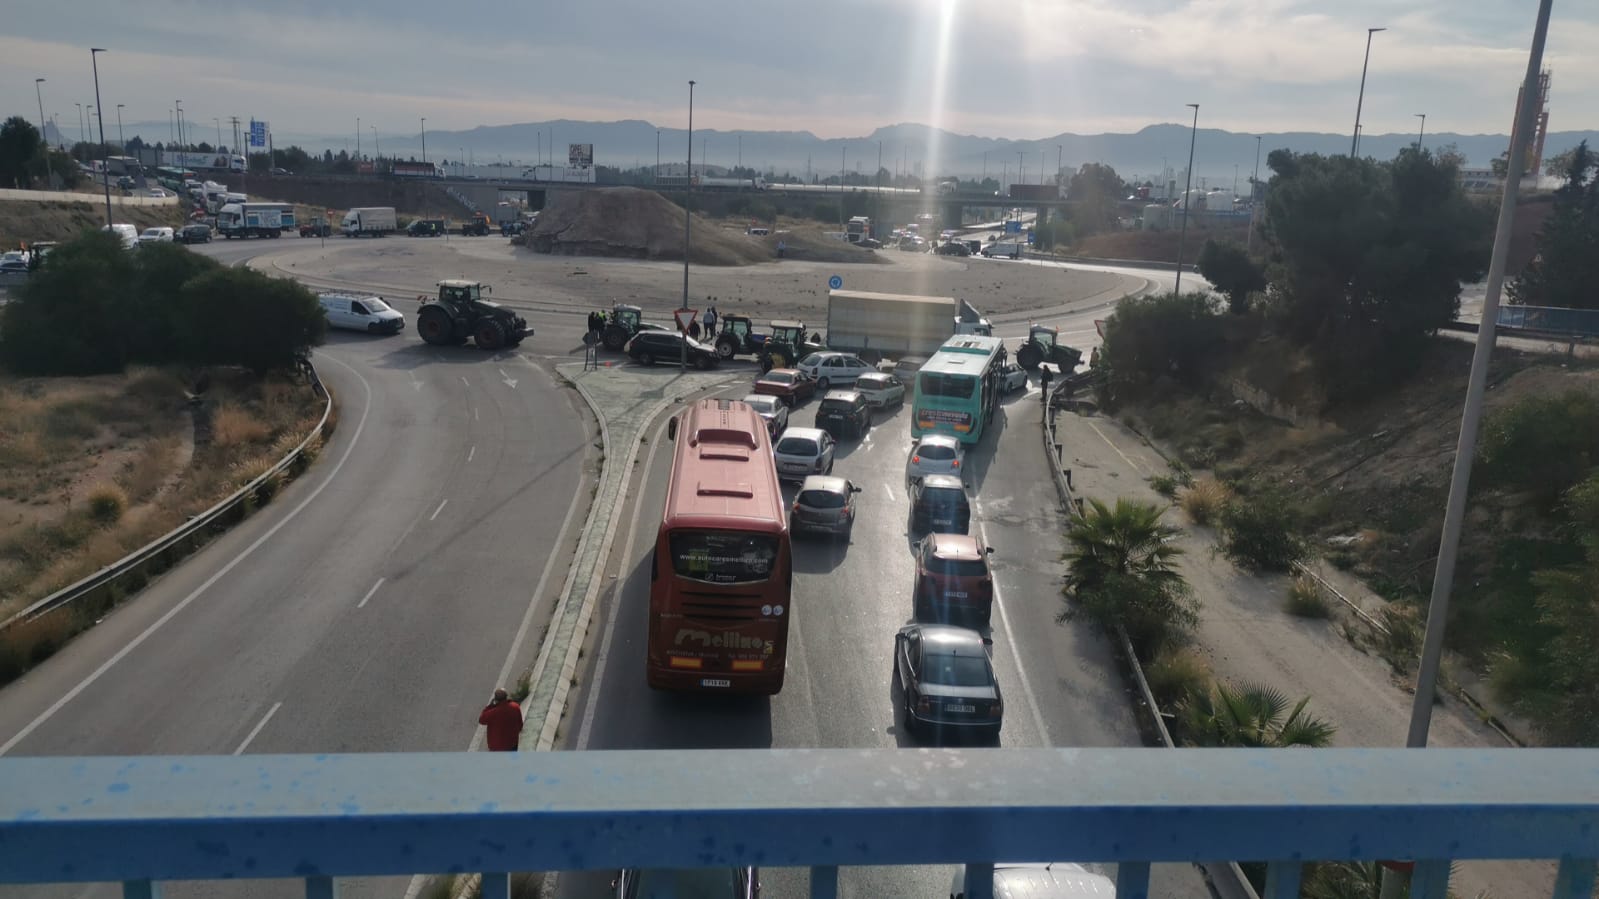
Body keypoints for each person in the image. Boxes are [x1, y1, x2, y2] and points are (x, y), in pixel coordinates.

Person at [478, 688, 523, 752]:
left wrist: (490, 706)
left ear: (495, 699)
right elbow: (520, 725)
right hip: (512, 743)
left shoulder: (492, 713)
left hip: (497, 747)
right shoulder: (515, 707)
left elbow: (481, 720)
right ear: (506, 697)